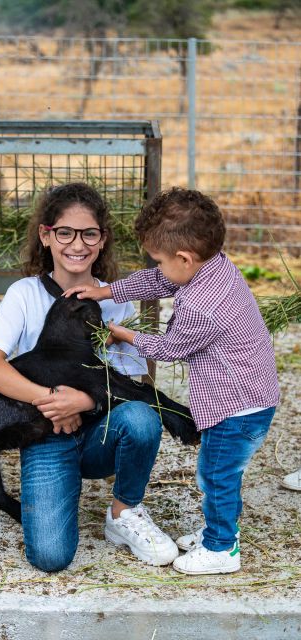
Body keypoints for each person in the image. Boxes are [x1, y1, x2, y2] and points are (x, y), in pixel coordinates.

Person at [65, 186, 280, 576]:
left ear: (183, 258)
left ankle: (222, 548)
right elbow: (156, 282)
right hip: (251, 396)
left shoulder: (202, 306)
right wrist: (107, 289)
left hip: (237, 407)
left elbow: (171, 347)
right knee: (215, 472)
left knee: (217, 475)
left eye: (160, 260)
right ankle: (219, 529)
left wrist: (125, 334)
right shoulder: (211, 267)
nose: (158, 268)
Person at [0, 182, 179, 572]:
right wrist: (52, 399)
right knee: (50, 556)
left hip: (102, 428)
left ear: (102, 240)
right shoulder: (24, 294)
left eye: (89, 233)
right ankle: (57, 485)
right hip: (45, 431)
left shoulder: (114, 297)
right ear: (46, 235)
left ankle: (123, 514)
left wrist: (85, 401)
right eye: (65, 232)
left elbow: (134, 378)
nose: (77, 244)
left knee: (141, 418)